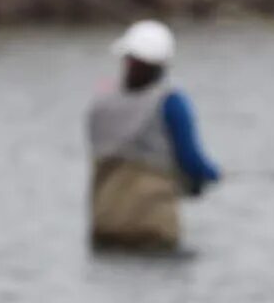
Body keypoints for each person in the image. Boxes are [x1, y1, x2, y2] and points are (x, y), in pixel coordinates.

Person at [86, 21, 221, 249]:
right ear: (163, 63)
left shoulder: (100, 104)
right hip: (152, 227)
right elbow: (190, 161)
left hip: (105, 225)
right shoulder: (171, 102)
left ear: (127, 59)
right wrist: (210, 176)